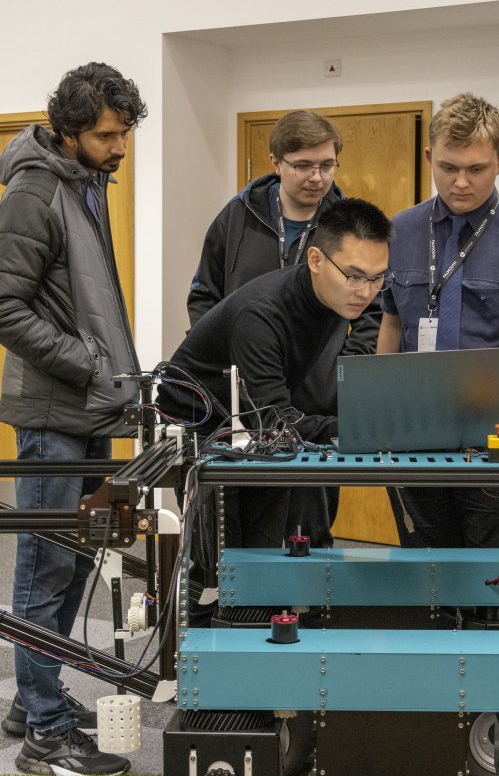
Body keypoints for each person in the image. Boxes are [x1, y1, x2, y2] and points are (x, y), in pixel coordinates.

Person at [0, 62, 147, 776]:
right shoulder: (34, 191)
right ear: (68, 130)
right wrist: (89, 361)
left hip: (91, 406)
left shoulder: (86, 185)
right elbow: (6, 307)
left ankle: (35, 699)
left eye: (123, 133)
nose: (119, 146)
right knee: (46, 563)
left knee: (80, 553)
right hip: (55, 408)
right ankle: (45, 738)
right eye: (106, 135)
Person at [377, 92, 499, 548]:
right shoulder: (400, 232)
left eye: (476, 169)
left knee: (494, 590)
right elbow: (392, 326)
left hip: (497, 451)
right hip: (413, 442)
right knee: (425, 583)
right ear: (429, 158)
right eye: (448, 167)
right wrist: (378, 423)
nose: (461, 182)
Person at [187, 110, 378, 547]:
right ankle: (245, 609)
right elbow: (204, 296)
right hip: (243, 399)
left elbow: (372, 307)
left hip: (314, 394)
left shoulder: (348, 224)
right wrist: (229, 364)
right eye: (303, 165)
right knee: (243, 524)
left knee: (307, 525)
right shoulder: (236, 217)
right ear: (276, 163)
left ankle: (304, 608)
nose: (316, 177)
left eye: (326, 165)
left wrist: (346, 366)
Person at [158, 197, 392, 549]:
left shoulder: (334, 296)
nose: (365, 292)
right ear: (315, 260)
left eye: (377, 279)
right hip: (202, 426)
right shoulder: (261, 315)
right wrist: (368, 429)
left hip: (251, 421)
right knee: (225, 559)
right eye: (354, 276)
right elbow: (275, 423)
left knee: (276, 545)